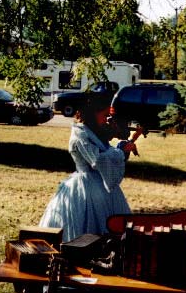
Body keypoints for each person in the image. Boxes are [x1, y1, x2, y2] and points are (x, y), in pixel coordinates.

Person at [39, 94, 138, 242]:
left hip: (103, 188)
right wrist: (120, 151)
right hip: (84, 187)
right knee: (84, 229)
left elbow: (107, 153)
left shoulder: (95, 132)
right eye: (104, 115)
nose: (106, 119)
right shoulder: (80, 134)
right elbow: (98, 159)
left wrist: (122, 147)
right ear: (93, 113)